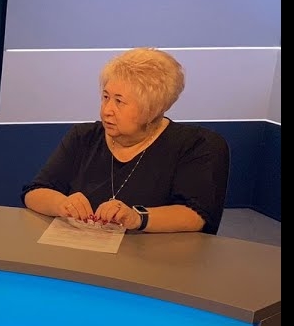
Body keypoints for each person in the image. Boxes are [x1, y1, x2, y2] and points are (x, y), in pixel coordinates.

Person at [21, 47, 229, 234]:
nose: (107, 110)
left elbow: (196, 216)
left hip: (154, 259)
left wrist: (137, 218)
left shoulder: (195, 146)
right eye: (106, 97)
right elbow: (34, 192)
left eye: (119, 101)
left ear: (152, 109)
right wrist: (62, 203)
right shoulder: (83, 137)